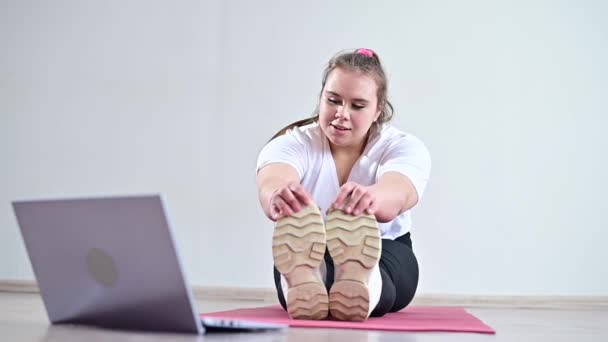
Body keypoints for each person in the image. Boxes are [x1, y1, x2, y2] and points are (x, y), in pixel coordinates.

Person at [256, 48, 431, 321]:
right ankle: (308, 278)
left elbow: (400, 190)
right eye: (333, 101)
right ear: (321, 97)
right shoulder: (293, 143)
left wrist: (371, 198)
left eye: (357, 106)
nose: (341, 114)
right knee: (302, 272)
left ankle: (363, 281)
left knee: (391, 279)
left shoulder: (402, 147)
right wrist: (278, 195)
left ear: (378, 110)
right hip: (311, 248)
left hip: (386, 246)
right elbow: (272, 178)